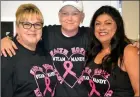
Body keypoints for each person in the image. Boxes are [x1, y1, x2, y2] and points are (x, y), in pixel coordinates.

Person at [1, 1, 139, 97]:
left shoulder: (92, 35)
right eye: (65, 13)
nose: (69, 18)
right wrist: (6, 40)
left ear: (82, 17)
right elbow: (29, 34)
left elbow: (114, 39)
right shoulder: (48, 33)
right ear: (59, 16)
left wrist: (136, 44)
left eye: (75, 13)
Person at [82, 5, 139, 97]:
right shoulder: (93, 51)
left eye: (108, 23)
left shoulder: (128, 51)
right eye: (97, 24)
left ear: (118, 26)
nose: (101, 27)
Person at [1, 3, 57, 97]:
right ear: (17, 28)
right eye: (26, 24)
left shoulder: (45, 50)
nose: (33, 29)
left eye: (37, 24)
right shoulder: (8, 56)